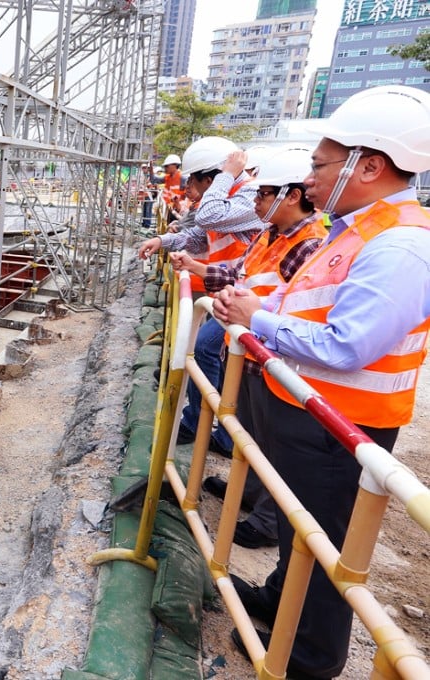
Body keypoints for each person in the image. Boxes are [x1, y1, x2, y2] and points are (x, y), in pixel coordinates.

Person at [213, 84, 430, 679]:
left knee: (325, 542)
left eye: (318, 165)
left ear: (369, 166)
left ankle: (308, 657)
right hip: (308, 409)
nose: (308, 179)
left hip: (343, 426)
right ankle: (284, 599)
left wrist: (259, 321)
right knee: (298, 528)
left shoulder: (402, 245)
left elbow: (350, 344)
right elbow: (298, 298)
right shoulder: (355, 228)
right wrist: (256, 302)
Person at [169, 147, 327, 549]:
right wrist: (196, 268)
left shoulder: (310, 246)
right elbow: (239, 274)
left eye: (263, 194)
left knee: (275, 443)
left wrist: (243, 310)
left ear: (291, 195)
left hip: (273, 357)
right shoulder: (270, 234)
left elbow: (278, 300)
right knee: (252, 431)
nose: (255, 202)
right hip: (247, 351)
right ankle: (252, 491)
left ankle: (267, 521)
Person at [139, 138, 265, 457]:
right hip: (228, 289)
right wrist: (162, 239)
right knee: (218, 355)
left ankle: (202, 424)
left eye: (193, 180)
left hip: (248, 296)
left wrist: (226, 175)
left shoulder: (246, 195)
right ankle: (216, 428)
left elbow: (206, 217)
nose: (189, 188)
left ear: (209, 178)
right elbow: (198, 235)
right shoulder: (229, 198)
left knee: (205, 348)